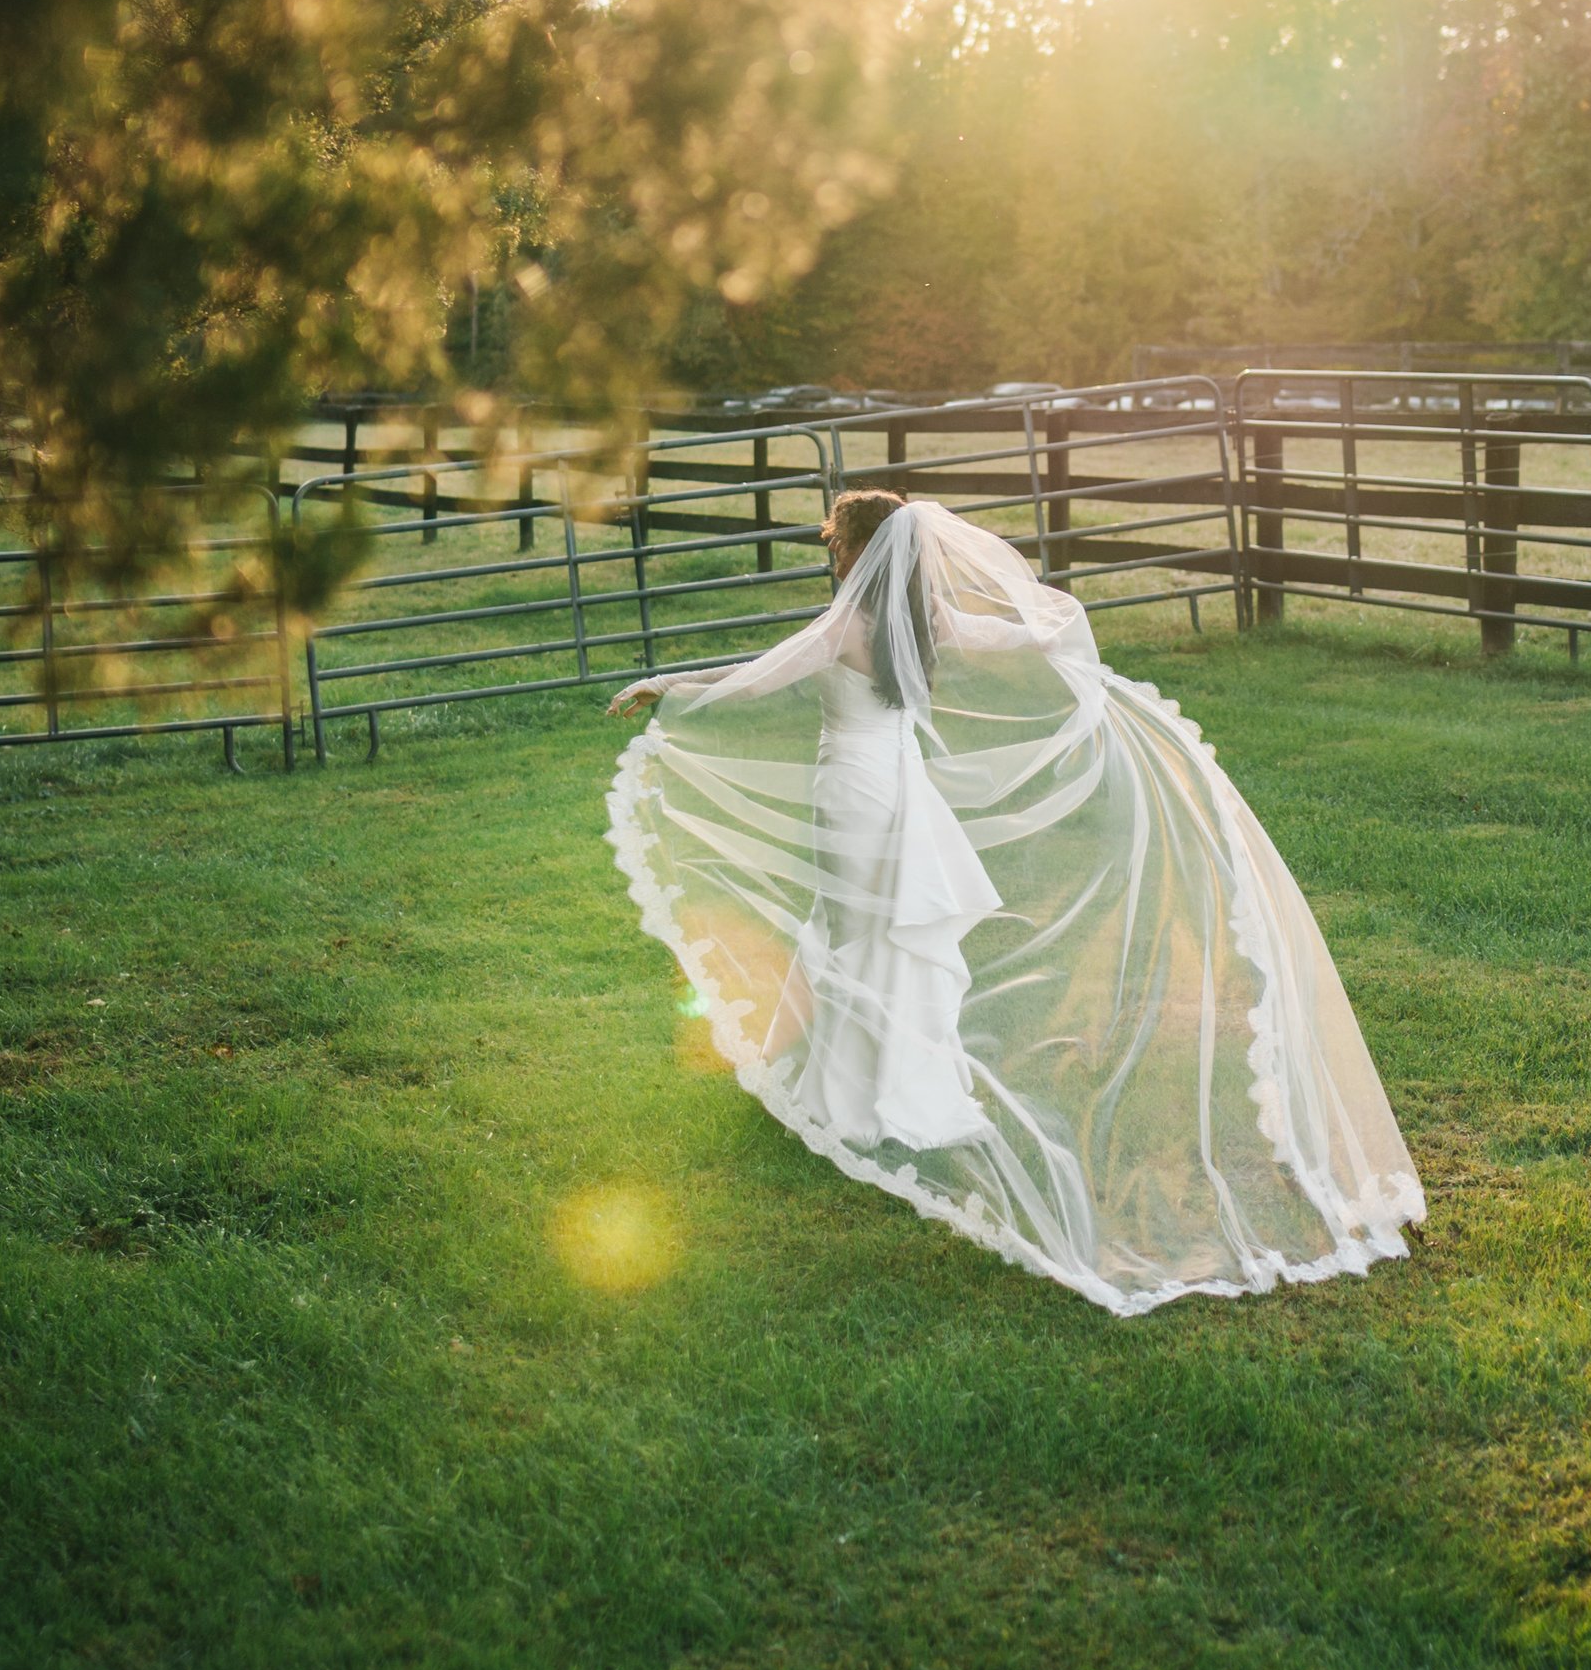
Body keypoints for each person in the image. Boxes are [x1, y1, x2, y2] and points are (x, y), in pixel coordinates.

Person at [605, 490, 1421, 1317]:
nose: (833, 556)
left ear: (858, 549)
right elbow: (1029, 634)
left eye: (838, 543)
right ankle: (875, 1083)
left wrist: (664, 685)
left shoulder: (847, 625)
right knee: (880, 933)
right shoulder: (928, 622)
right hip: (902, 794)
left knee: (854, 933)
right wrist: (1058, 627)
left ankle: (857, 1094)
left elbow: (753, 678)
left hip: (853, 792)